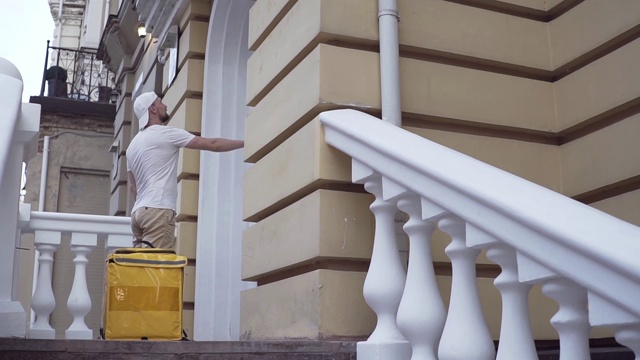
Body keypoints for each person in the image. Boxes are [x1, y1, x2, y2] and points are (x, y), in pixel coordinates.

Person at [126, 91, 244, 248]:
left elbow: (134, 188)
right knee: (155, 267)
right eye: (160, 102)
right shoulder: (166, 133)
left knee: (140, 266)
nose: (165, 105)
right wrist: (245, 142)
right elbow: (212, 144)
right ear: (153, 109)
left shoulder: (132, 146)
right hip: (158, 210)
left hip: (138, 213)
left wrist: (146, 208)